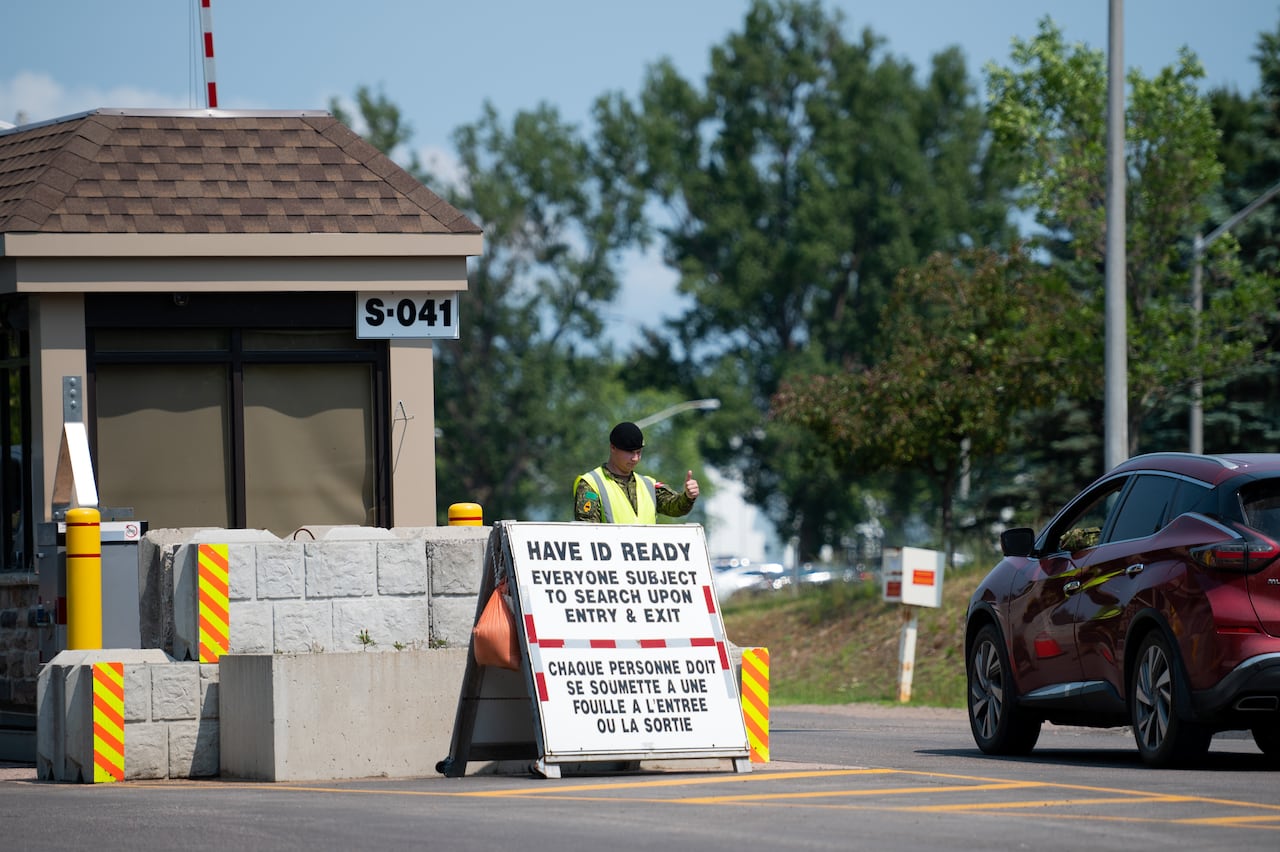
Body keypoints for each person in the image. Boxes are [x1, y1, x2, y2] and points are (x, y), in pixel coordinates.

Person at [573, 421, 699, 523]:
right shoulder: (591, 484)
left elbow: (674, 507)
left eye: (638, 452)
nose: (635, 458)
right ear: (613, 448)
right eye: (629, 452)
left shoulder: (648, 485)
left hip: (646, 554)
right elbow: (588, 531)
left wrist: (688, 497)